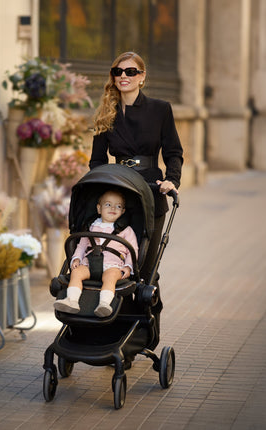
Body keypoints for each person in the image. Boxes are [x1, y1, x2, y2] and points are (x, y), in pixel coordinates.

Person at [89, 51, 183, 286]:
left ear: (142, 77)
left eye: (130, 72)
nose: (123, 76)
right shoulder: (105, 114)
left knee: (145, 268)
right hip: (118, 191)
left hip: (151, 191)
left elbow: (173, 152)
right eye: (118, 72)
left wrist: (172, 180)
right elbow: (97, 160)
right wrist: (100, 188)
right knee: (113, 258)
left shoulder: (160, 109)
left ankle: (146, 316)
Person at [54, 189, 138, 317]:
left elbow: (133, 250)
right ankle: (72, 300)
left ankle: (104, 304)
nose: (113, 208)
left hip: (113, 265)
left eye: (118, 206)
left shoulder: (126, 230)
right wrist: (76, 258)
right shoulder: (91, 226)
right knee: (76, 273)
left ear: (123, 211)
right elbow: (82, 245)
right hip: (89, 263)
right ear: (99, 209)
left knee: (110, 277)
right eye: (108, 204)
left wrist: (128, 266)